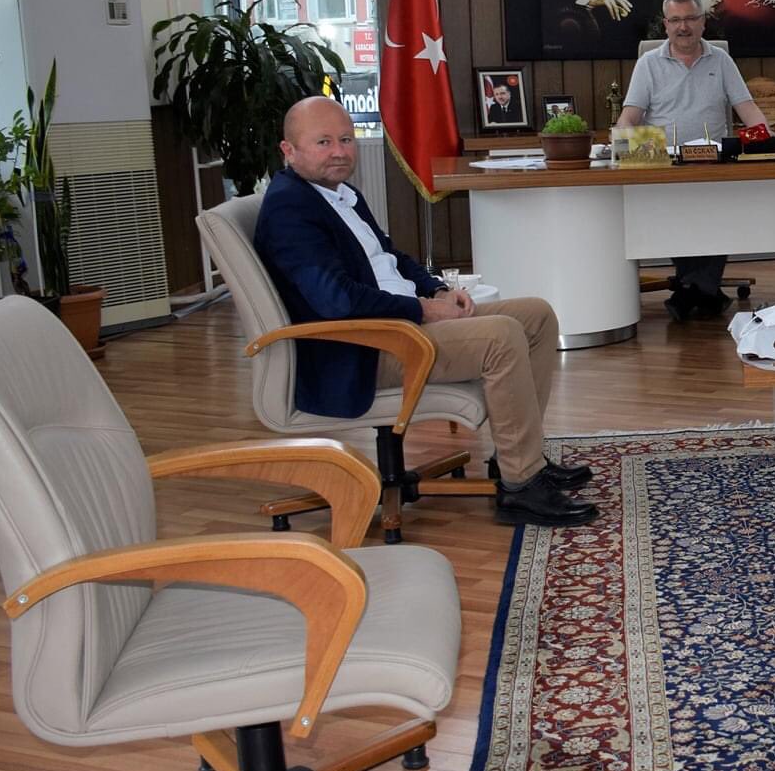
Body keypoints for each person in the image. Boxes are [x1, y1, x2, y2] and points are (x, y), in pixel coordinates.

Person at [253, 96, 596, 527]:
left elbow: (390, 257)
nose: (339, 151)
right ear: (289, 150)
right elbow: (336, 300)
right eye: (323, 142)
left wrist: (437, 289)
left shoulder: (339, 193)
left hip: (399, 323)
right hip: (362, 347)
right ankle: (521, 488)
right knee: (502, 335)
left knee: (537, 316)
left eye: (346, 139)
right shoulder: (290, 209)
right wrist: (423, 309)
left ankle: (518, 457)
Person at [615, 0, 771, 317]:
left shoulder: (721, 60)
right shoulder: (648, 63)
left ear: (703, 22)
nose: (682, 27)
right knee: (677, 216)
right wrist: (625, 142)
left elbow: (747, 108)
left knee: (716, 217)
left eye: (689, 19)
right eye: (675, 20)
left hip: (713, 162)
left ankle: (691, 290)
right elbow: (629, 117)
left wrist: (768, 138)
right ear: (665, 25)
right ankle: (703, 291)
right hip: (665, 165)